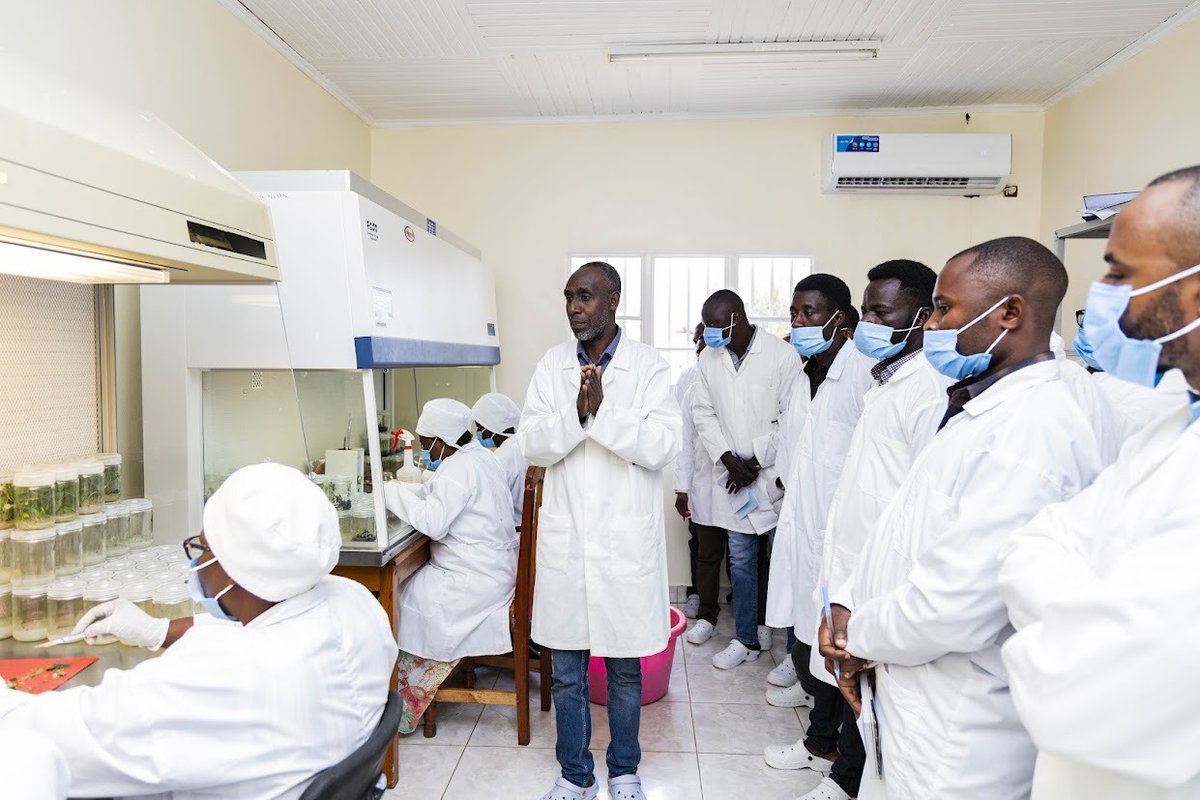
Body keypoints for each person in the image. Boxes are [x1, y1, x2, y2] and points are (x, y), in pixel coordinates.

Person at [820, 236, 1108, 800]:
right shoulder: (979, 405)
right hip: (910, 695)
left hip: (956, 730)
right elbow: (903, 525)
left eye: (945, 308)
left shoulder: (1033, 432)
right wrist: (849, 598)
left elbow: (955, 606)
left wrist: (856, 634)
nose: (932, 323)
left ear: (1010, 313)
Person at [0, 463, 396, 799]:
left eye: (202, 548)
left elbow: (51, 739)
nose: (197, 561)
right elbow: (262, 629)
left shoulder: (218, 677)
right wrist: (156, 629)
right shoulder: (356, 604)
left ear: (233, 569)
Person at [998, 166, 1200, 799]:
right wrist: (1089, 607)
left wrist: (1068, 613)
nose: (1104, 297)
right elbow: (1034, 542)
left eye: (1119, 272)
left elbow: (1090, 695)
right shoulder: (1172, 428)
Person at [521, 261, 680, 800]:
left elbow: (661, 446)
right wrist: (577, 415)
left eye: (585, 296)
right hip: (568, 544)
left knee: (625, 674)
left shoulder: (650, 368)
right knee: (565, 672)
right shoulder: (550, 366)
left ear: (613, 300)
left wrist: (602, 415)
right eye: (568, 296)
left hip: (623, 545)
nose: (573, 307)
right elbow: (533, 443)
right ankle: (573, 776)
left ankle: (626, 771)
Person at [761, 273, 875, 791]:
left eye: (810, 313)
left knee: (836, 648)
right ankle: (820, 732)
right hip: (803, 521)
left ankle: (827, 748)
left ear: (841, 319)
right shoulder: (808, 370)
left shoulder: (861, 374)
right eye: (794, 313)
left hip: (839, 535)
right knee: (811, 636)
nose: (799, 322)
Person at [382, 398, 519, 728]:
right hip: (492, 570)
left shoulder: (459, 469)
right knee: (412, 590)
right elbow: (434, 490)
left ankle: (406, 702)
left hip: (475, 579)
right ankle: (416, 688)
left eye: (427, 444)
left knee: (399, 597)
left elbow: (433, 522)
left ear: (443, 442)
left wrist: (389, 492)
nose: (426, 451)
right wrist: (408, 490)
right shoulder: (479, 457)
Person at [689, 289, 802, 669]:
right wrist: (727, 458)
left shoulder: (781, 356)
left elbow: (792, 418)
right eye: (705, 324)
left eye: (716, 324)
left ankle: (791, 654)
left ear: (737, 317)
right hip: (735, 478)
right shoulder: (709, 357)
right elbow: (703, 414)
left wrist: (751, 460)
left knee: (784, 563)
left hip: (771, 477)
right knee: (740, 560)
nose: (709, 332)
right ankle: (747, 638)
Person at [672, 322, 707, 619]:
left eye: (703, 340)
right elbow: (680, 435)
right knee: (699, 543)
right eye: (696, 342)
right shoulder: (688, 379)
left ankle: (739, 602)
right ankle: (696, 594)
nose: (698, 347)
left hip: (738, 479)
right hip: (699, 478)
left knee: (742, 553)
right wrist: (681, 487)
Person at [472, 391, 528, 527]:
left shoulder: (502, 457)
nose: (478, 434)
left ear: (491, 426)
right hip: (530, 528)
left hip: (515, 532)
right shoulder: (524, 442)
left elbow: (485, 503)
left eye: (480, 428)